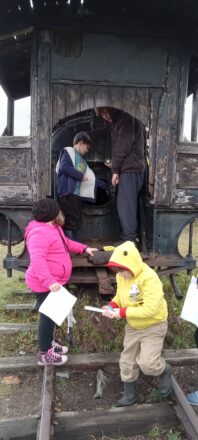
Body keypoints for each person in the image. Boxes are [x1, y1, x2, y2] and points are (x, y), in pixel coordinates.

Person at [25, 198, 97, 366]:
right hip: (44, 283)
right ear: (52, 214)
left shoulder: (53, 228)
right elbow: (37, 261)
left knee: (54, 314)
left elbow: (66, 243)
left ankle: (49, 344)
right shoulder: (39, 233)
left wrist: (84, 248)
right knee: (48, 317)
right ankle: (44, 353)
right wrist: (49, 281)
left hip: (54, 281)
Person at [102, 241, 172, 406]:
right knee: (127, 361)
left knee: (148, 364)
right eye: (117, 269)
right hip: (133, 325)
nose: (119, 273)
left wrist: (121, 313)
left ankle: (164, 370)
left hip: (154, 325)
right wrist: (112, 306)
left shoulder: (149, 278)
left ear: (132, 264)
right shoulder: (121, 276)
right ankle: (130, 396)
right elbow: (120, 296)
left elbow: (150, 309)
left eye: (122, 269)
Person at [97, 107, 145, 243]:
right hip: (130, 169)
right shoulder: (121, 121)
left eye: (106, 112)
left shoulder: (127, 119)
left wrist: (115, 170)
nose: (105, 117)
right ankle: (127, 238)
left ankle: (129, 241)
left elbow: (122, 147)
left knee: (126, 206)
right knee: (125, 205)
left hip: (130, 171)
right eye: (102, 115)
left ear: (113, 109)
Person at [56, 131, 107, 239]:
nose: (87, 150)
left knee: (74, 220)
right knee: (69, 221)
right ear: (80, 142)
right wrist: (80, 176)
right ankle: (69, 247)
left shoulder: (83, 162)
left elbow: (91, 179)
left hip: (76, 195)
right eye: (86, 147)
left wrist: (105, 185)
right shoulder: (68, 151)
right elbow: (64, 167)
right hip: (67, 193)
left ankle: (72, 244)